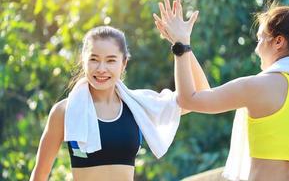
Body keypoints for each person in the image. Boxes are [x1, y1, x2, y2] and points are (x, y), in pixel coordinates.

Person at [153, 0, 289, 181]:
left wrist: (181, 45)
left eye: (259, 40)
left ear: (278, 42)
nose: (256, 50)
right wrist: (185, 47)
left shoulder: (256, 87)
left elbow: (189, 99)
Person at [30, 26, 209, 181]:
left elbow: (200, 96)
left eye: (110, 60)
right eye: (93, 59)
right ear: (83, 61)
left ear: (123, 63)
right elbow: (40, 174)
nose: (101, 69)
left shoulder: (139, 106)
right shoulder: (65, 111)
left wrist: (183, 44)